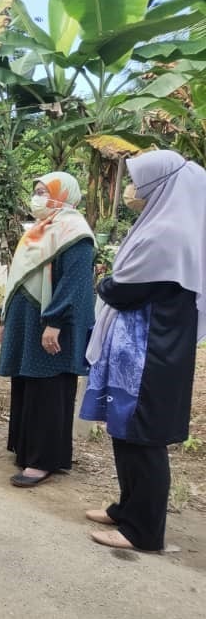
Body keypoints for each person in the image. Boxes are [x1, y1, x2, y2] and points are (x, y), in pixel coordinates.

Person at [80, 151, 206, 551]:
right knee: (126, 431)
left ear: (162, 184)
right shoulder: (164, 223)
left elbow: (126, 289)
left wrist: (104, 286)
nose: (132, 189)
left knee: (143, 438)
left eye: (138, 180)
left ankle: (143, 531)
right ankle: (126, 508)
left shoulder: (169, 231)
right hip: (143, 349)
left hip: (151, 355)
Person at [0, 172, 95, 487]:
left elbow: (76, 283)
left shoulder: (75, 232)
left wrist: (55, 322)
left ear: (64, 195)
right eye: (36, 191)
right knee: (28, 382)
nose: (37, 197)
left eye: (44, 192)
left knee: (48, 386)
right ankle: (27, 449)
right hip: (26, 319)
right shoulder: (40, 229)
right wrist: (5, 317)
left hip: (52, 322)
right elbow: (17, 278)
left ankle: (43, 460)